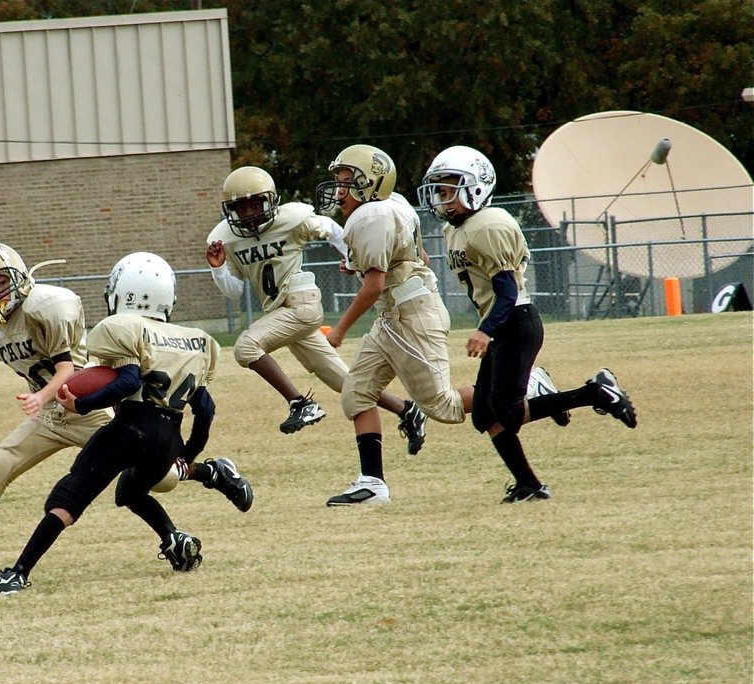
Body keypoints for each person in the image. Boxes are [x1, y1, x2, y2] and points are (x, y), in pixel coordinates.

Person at [0, 242, 252, 583]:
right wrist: (44, 400)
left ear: (17, 275)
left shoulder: (46, 305)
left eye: (0, 283)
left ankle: (210, 474)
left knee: (160, 479)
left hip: (87, 406)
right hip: (52, 413)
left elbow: (65, 370)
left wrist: (43, 397)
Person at [416, 145, 637, 502]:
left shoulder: (489, 225)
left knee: (509, 412)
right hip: (502, 322)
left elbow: (507, 291)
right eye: (440, 191)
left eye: (450, 189)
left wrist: (485, 330)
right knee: (486, 415)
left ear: (475, 187)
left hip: (514, 322)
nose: (444, 199)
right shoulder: (455, 230)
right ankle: (530, 485)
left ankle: (596, 392)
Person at [206, 165, 427, 454]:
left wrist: (351, 257)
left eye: (255, 203)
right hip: (279, 312)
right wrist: (219, 267)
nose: (249, 213)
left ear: (270, 200)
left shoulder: (292, 218)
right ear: (231, 210)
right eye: (241, 207)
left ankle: (300, 403)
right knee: (346, 383)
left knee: (245, 347)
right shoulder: (226, 238)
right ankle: (407, 410)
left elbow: (332, 229)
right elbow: (233, 291)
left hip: (301, 304)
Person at [311, 144, 483, 507]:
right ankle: (373, 484)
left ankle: (527, 385)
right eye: (339, 182)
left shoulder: (371, 216)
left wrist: (340, 330)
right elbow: (420, 257)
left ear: (370, 184)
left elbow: (373, 287)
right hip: (396, 315)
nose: (339, 190)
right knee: (356, 393)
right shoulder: (394, 205)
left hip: (410, 317)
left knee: (444, 407)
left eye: (347, 182)